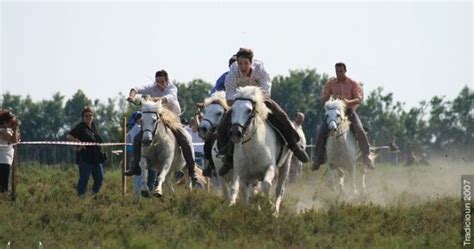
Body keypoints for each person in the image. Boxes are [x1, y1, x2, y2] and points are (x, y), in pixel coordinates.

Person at [216, 48, 309, 176]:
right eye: (240, 63)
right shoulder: (232, 71)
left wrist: (254, 101)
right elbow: (230, 95)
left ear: (251, 62)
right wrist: (240, 103)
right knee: (223, 125)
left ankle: (294, 145)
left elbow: (266, 90)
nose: (242, 67)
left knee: (281, 116)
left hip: (260, 101)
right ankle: (228, 158)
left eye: (246, 63)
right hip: (240, 104)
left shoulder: (260, 68)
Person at [124, 70, 202, 188]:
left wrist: (153, 99)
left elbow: (167, 98)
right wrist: (132, 95)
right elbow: (138, 88)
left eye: (162, 81)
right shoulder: (153, 86)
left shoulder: (172, 88)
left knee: (185, 139)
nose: (159, 84)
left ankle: (191, 169)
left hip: (173, 120)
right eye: (157, 81)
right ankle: (135, 166)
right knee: (137, 138)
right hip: (158, 120)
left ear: (167, 81)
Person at [312, 62, 374, 171]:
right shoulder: (331, 83)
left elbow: (359, 99)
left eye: (341, 71)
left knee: (360, 130)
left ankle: (367, 155)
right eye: (337, 71)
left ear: (345, 71)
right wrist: (329, 98)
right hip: (333, 113)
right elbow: (323, 98)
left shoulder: (353, 83)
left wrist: (347, 101)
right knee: (321, 131)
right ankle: (318, 158)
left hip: (349, 112)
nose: (339, 73)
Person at [67, 106, 105, 196]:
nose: (88, 117)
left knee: (99, 178)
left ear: (93, 117)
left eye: (90, 115)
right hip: (85, 158)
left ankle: (94, 196)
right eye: (86, 116)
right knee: (84, 179)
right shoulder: (80, 127)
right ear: (82, 118)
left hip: (96, 158)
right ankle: (81, 197)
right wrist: (78, 142)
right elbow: (68, 136)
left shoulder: (93, 127)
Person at [0, 110, 20, 194]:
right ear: (4, 122)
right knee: (3, 186)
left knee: (4, 185)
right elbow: (13, 141)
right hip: (2, 161)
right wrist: (15, 128)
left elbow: (17, 139)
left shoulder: (8, 130)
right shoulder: (2, 131)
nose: (12, 124)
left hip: (5, 160)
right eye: (10, 122)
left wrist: (16, 128)